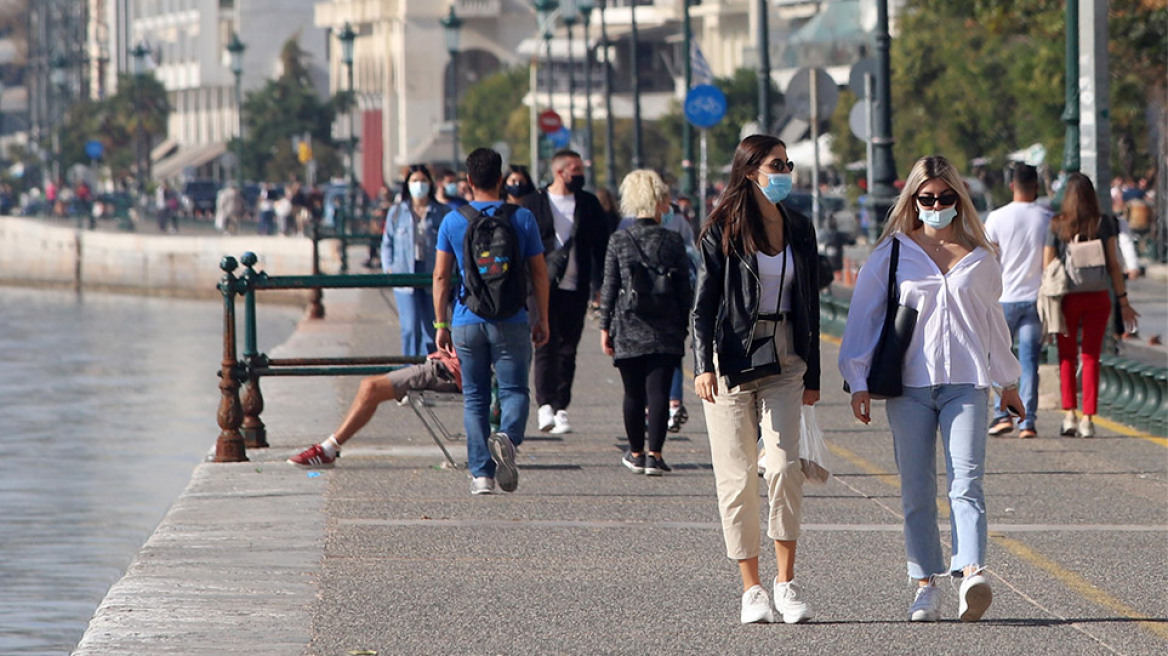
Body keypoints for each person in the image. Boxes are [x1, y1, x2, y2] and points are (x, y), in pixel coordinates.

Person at [839, 155, 1024, 624]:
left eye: (946, 198)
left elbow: (993, 325)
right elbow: (865, 318)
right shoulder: (893, 253)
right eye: (927, 198)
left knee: (967, 482)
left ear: (959, 201)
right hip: (909, 386)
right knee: (916, 490)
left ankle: (972, 572)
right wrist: (857, 380)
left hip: (966, 384)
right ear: (914, 200)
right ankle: (925, 585)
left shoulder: (982, 259)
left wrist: (1007, 382)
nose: (937, 206)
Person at [692, 134, 820, 625]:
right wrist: (702, 364)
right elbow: (703, 306)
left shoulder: (799, 227)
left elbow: (808, 302)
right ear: (750, 172)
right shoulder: (720, 230)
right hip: (730, 361)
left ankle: (786, 583)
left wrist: (815, 373)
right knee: (737, 476)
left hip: (786, 359)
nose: (785, 172)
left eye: (788, 164)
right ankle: (752, 589)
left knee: (786, 466)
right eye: (776, 164)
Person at [433, 147, 550, 496]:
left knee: (475, 397)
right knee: (514, 390)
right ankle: (508, 438)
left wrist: (441, 325)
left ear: (468, 181)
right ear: (501, 180)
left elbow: (440, 277)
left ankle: (481, 475)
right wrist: (541, 316)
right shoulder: (523, 218)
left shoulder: (453, 221)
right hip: (512, 316)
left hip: (468, 317)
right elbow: (539, 273)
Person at [598, 170, 692, 475]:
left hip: (628, 325)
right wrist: (683, 323)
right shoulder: (673, 240)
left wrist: (604, 327)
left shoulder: (619, 240)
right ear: (659, 201)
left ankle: (636, 452)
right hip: (666, 327)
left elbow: (610, 286)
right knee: (660, 393)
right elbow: (684, 288)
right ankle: (656, 455)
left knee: (633, 393)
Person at [520, 149, 609, 435]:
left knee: (568, 349)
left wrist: (599, 287)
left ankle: (561, 407)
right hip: (541, 286)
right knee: (545, 342)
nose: (580, 175)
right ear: (559, 172)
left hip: (576, 286)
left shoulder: (589, 204)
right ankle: (545, 404)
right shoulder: (534, 203)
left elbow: (601, 248)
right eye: (575, 170)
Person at [1044, 173, 1139, 438]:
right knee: (1091, 356)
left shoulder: (1056, 225)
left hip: (1067, 299)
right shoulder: (1104, 222)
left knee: (1066, 356)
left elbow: (1047, 264)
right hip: (1098, 297)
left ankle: (1069, 415)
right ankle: (1088, 418)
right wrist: (1124, 301)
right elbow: (1113, 265)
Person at [287, 351, 462, 468]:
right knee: (369, 386)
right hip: (450, 366)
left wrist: (441, 325)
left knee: (371, 388)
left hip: (446, 370)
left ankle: (328, 450)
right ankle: (330, 448)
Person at [983, 164, 1051, 439]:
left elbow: (988, 259)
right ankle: (1028, 422)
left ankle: (1002, 416)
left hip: (1004, 299)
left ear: (1012, 185)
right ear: (1036, 186)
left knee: (997, 359)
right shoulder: (1047, 217)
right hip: (1035, 300)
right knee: (1029, 361)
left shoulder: (997, 218)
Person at [382, 163, 448, 357]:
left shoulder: (441, 212)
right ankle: (410, 367)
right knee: (410, 327)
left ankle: (433, 367)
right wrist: (389, 269)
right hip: (405, 275)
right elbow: (387, 243)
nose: (419, 185)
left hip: (432, 274)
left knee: (433, 326)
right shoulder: (396, 212)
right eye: (415, 181)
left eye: (423, 180)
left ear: (430, 183)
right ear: (407, 185)